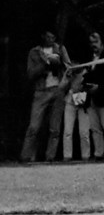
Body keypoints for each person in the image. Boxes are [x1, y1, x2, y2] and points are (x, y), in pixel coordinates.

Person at [18, 32, 69, 163]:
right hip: (41, 91)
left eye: (53, 37)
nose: (50, 39)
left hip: (57, 89)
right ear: (42, 37)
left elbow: (69, 69)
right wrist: (45, 64)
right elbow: (30, 74)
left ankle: (50, 157)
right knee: (34, 126)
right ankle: (26, 156)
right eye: (48, 36)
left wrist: (63, 80)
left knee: (55, 129)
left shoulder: (60, 49)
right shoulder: (34, 52)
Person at [80, 34, 104, 159]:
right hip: (91, 97)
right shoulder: (90, 58)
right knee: (95, 129)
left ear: (102, 42)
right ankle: (98, 153)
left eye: (95, 41)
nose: (93, 45)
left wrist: (99, 87)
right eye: (91, 42)